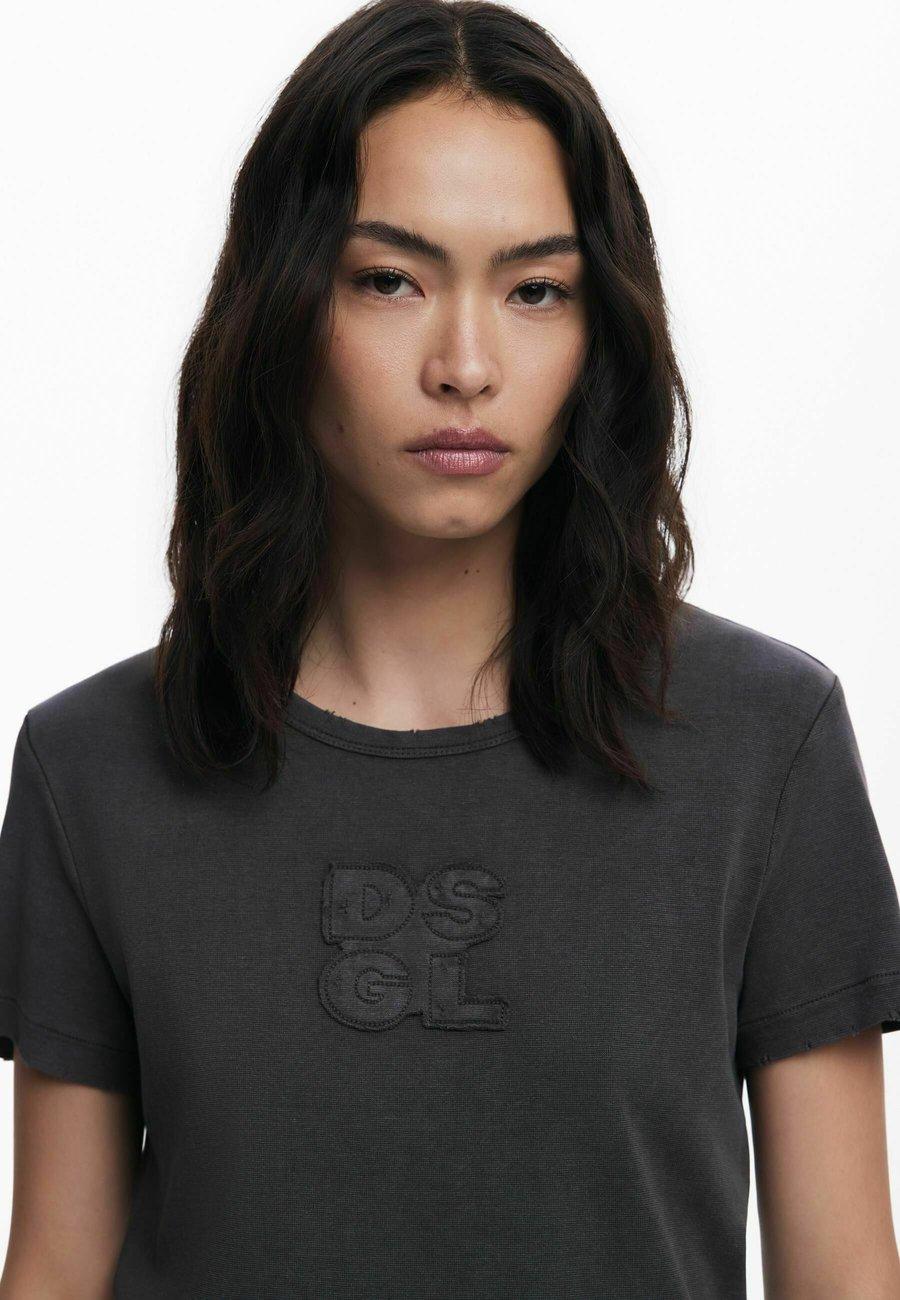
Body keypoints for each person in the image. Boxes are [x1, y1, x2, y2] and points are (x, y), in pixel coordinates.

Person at [2, 0, 900, 1295]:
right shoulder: (93, 768)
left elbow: (846, 1279)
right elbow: (54, 1270)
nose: (466, 364)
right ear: (284, 305)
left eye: (536, 289)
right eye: (391, 281)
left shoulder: (766, 745)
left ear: (597, 330)